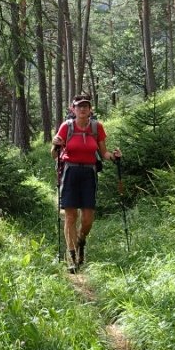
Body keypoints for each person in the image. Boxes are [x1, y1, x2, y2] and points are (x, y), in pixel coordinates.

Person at [51, 93, 121, 271]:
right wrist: (54, 144)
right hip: (70, 172)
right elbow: (55, 154)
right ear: (73, 109)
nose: (82, 109)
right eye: (79, 106)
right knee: (70, 216)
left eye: (86, 106)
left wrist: (114, 157)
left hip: (89, 173)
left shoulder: (97, 127)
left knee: (88, 219)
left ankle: (81, 242)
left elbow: (103, 153)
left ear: (90, 110)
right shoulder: (66, 127)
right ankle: (72, 256)